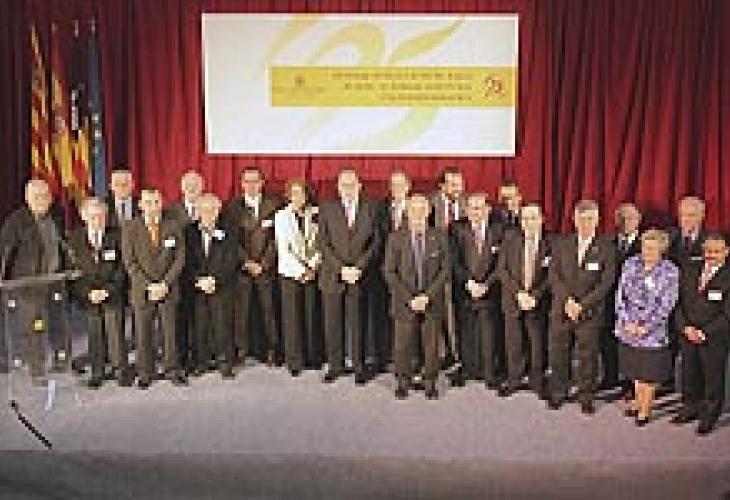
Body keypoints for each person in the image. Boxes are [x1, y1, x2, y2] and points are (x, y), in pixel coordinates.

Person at [547, 200, 616, 414]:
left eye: (590, 219)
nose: (586, 223)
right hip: (562, 308)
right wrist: (567, 301)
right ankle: (559, 391)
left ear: (597, 220)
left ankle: (586, 396)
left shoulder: (606, 247)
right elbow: (553, 276)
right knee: (559, 353)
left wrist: (582, 305)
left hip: (590, 312)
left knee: (588, 356)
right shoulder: (561, 243)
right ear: (574, 220)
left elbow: (606, 282)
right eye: (582, 219)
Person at [384, 194, 450, 400]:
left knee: (431, 346)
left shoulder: (439, 236)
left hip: (432, 301)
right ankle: (403, 382)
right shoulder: (395, 238)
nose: (418, 213)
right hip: (404, 302)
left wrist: (426, 297)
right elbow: (389, 272)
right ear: (407, 212)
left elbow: (445, 270)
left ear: (429, 211)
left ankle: (430, 382)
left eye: (422, 209)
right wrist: (410, 298)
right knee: (402, 345)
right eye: (414, 209)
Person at [0, 179, 68, 377]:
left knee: (58, 324)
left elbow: (63, 244)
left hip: (55, 282)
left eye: (46, 196)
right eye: (37, 196)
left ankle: (62, 361)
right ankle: (37, 368)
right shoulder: (16, 221)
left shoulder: (57, 215)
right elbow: (5, 252)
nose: (42, 200)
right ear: (27, 198)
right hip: (27, 285)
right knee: (34, 327)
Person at [122, 188, 187, 388]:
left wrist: (165, 284)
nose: (153, 207)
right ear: (141, 205)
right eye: (148, 202)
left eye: (157, 202)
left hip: (168, 288)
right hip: (143, 291)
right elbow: (130, 263)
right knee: (143, 334)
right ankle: (145, 372)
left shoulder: (173, 225)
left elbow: (179, 258)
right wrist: (149, 286)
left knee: (170, 333)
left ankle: (172, 370)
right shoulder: (130, 228)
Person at [318, 168, 378, 384]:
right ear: (338, 187)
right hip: (333, 275)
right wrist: (341, 269)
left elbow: (375, 242)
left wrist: (359, 267)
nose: (348, 189)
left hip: (360, 275)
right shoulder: (327, 207)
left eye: (352, 184)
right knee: (332, 323)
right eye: (344, 185)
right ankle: (335, 365)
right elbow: (323, 242)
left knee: (358, 322)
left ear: (359, 186)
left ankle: (359, 366)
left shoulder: (371, 207)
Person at [614, 229, 679, 425]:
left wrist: (646, 327)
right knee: (634, 368)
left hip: (652, 332)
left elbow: (667, 305)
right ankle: (637, 401)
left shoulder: (670, 271)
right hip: (628, 327)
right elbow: (620, 295)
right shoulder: (630, 263)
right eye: (645, 247)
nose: (647, 252)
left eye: (652, 248)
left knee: (648, 372)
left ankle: (645, 409)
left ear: (661, 249)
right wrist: (626, 321)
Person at [68, 197, 130, 388]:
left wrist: (108, 290)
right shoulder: (73, 238)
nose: (98, 220)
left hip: (112, 293)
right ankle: (97, 372)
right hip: (89, 296)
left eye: (102, 216)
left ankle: (120, 371)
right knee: (95, 335)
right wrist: (88, 293)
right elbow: (72, 271)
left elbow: (122, 268)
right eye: (93, 216)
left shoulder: (117, 236)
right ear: (84, 217)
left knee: (115, 334)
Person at [222, 167, 281, 366]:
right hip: (242, 269)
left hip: (267, 268)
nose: (251, 185)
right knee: (241, 313)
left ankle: (272, 350)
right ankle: (241, 350)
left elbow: (277, 238)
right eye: (247, 181)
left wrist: (264, 263)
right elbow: (231, 240)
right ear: (241, 184)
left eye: (255, 181)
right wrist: (246, 262)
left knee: (269, 311)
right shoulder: (232, 207)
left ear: (262, 183)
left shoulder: (274, 205)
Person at [672, 234, 730, 435]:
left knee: (712, 377)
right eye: (708, 251)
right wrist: (685, 328)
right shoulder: (690, 269)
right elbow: (678, 303)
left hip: (714, 337)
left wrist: (704, 332)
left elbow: (727, 315)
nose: (711, 255)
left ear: (726, 252)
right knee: (689, 373)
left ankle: (709, 414)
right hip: (687, 333)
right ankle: (689, 407)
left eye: (716, 251)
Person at [497, 203, 551, 398]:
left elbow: (552, 275)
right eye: (525, 218)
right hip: (513, 299)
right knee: (514, 341)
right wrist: (519, 294)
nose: (529, 222)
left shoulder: (551, 242)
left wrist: (534, 295)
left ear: (541, 219)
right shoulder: (510, 239)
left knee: (537, 343)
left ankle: (537, 380)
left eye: (533, 218)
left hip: (538, 301)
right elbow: (502, 270)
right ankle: (515, 378)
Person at [184, 193, 238, 379]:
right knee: (199, 326)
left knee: (223, 326)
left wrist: (215, 280)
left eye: (212, 210)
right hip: (197, 287)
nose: (208, 214)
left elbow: (232, 260)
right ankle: (201, 362)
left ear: (218, 210)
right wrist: (199, 281)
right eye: (204, 210)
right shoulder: (188, 231)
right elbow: (186, 261)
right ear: (198, 211)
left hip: (221, 286)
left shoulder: (229, 230)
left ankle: (225, 363)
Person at [451, 193, 501, 388]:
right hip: (465, 289)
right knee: (466, 330)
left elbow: (503, 262)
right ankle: (468, 369)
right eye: (471, 208)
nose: (475, 212)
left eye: (479, 208)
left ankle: (489, 372)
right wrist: (468, 283)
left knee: (489, 332)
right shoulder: (456, 228)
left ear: (487, 209)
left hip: (491, 289)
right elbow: (454, 260)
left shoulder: (499, 229)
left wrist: (486, 284)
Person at [274, 179, 322, 376]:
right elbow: (283, 248)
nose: (297, 197)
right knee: (292, 318)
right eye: (293, 193)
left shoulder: (316, 213)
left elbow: (321, 243)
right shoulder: (281, 216)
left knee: (311, 315)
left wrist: (313, 267)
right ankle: (294, 361)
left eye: (301, 193)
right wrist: (301, 271)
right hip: (290, 273)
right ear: (288, 196)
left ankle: (313, 357)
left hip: (312, 272)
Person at [371, 170, 411, 373]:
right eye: (393, 185)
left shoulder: (417, 207)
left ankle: (408, 360)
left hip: (409, 273)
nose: (397, 189)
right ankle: (383, 357)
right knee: (382, 315)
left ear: (408, 187)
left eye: (401, 185)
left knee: (406, 318)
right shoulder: (380, 207)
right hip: (383, 270)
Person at [166, 170, 204, 373]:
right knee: (180, 319)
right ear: (181, 188)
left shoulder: (210, 206)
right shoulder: (170, 212)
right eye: (188, 185)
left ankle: (201, 357)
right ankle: (181, 358)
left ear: (202, 187)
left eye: (195, 185)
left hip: (203, 271)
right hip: (179, 274)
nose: (192, 189)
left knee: (201, 318)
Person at [602, 202, 643, 393]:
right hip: (608, 300)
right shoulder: (606, 242)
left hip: (634, 304)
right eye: (622, 218)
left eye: (631, 218)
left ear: (639, 220)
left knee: (631, 343)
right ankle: (610, 377)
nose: (626, 222)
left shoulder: (646, 244)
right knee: (607, 341)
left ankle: (630, 383)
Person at [429, 166, 466, 371]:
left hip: (464, 268)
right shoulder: (430, 204)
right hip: (438, 268)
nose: (457, 188)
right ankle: (446, 354)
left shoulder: (468, 203)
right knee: (442, 313)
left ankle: (462, 354)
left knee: (460, 313)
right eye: (452, 184)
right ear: (442, 186)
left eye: (459, 184)